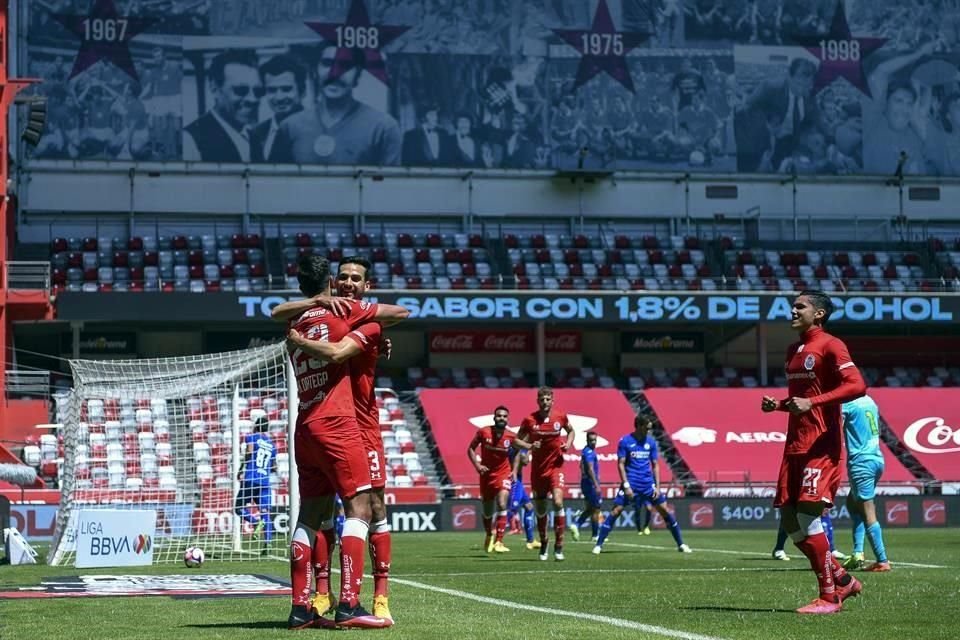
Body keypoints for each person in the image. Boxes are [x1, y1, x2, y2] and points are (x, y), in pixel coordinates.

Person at [272, 254, 409, 629]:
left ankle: (307, 608)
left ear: (366, 287)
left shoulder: (298, 321)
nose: (348, 283)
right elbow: (343, 347)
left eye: (355, 279)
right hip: (340, 423)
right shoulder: (347, 318)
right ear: (332, 282)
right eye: (343, 278)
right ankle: (347, 603)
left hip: (313, 423)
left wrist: (300, 337)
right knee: (359, 509)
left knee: (317, 514)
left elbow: (277, 312)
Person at [761, 289, 867, 614]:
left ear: (818, 313)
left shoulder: (831, 344)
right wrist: (779, 405)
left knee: (808, 512)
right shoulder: (794, 349)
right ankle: (843, 579)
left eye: (799, 306)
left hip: (821, 442)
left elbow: (857, 385)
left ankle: (830, 597)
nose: (792, 311)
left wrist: (813, 402)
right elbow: (802, 400)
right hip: (795, 443)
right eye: (792, 306)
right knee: (790, 518)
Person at [272, 43, 401, 165]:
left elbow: (390, 186)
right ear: (315, 71)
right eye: (327, 63)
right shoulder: (289, 127)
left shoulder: (382, 128)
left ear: (357, 76)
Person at [592, 415, 691, 555]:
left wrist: (657, 486)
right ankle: (599, 545)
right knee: (616, 511)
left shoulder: (650, 442)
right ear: (639, 426)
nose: (649, 431)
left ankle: (681, 544)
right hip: (631, 483)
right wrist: (626, 485)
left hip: (648, 484)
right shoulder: (625, 441)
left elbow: (655, 465)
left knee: (665, 511)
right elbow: (620, 464)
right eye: (647, 428)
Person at [517, 387, 574, 561]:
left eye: (548, 399)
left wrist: (568, 443)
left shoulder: (560, 417)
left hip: (556, 467)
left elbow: (570, 431)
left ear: (552, 400)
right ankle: (544, 542)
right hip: (538, 471)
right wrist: (527, 450)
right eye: (542, 399)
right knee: (541, 510)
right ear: (538, 401)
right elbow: (517, 440)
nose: (545, 402)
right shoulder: (529, 420)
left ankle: (559, 545)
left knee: (558, 502)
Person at [467, 405, 532, 554]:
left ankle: (499, 541)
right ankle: (489, 534)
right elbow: (470, 448)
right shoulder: (484, 432)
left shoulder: (510, 436)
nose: (501, 418)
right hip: (486, 475)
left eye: (504, 416)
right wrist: (477, 465)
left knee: (502, 503)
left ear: (507, 419)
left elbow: (518, 450)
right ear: (494, 417)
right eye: (499, 416)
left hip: (503, 474)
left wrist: (514, 470)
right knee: (488, 512)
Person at [183, 49, 262, 163]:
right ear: (214, 88)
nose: (253, 99)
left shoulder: (253, 138)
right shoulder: (191, 140)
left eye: (257, 91)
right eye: (241, 90)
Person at [841, 394, 890, 572]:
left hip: (861, 461)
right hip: (876, 459)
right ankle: (858, 553)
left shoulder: (847, 404)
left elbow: (832, 428)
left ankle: (882, 560)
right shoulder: (870, 401)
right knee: (853, 504)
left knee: (867, 511)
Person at [250, 54, 306, 162]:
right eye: (272, 90)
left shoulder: (317, 128)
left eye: (286, 89)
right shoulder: (256, 134)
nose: (279, 97)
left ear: (302, 91)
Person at [234, 415, 276, 554]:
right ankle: (268, 544)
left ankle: (254, 522)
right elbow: (274, 466)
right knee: (266, 513)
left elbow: (250, 452)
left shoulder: (251, 437)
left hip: (251, 478)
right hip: (265, 481)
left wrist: (241, 469)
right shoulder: (271, 445)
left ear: (256, 426)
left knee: (239, 508)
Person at [569, 431, 602, 542]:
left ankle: (576, 525)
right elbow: (590, 468)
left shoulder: (585, 451)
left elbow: (581, 466)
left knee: (590, 509)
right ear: (587, 440)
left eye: (595, 440)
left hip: (585, 483)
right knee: (596, 509)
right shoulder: (589, 453)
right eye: (591, 440)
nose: (593, 442)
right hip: (590, 484)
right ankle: (595, 535)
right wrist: (596, 484)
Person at [507, 448, 537, 549]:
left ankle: (530, 540)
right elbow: (525, 462)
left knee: (529, 507)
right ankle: (496, 536)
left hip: (518, 479)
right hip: (514, 480)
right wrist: (530, 450)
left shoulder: (517, 448)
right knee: (513, 507)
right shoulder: (521, 450)